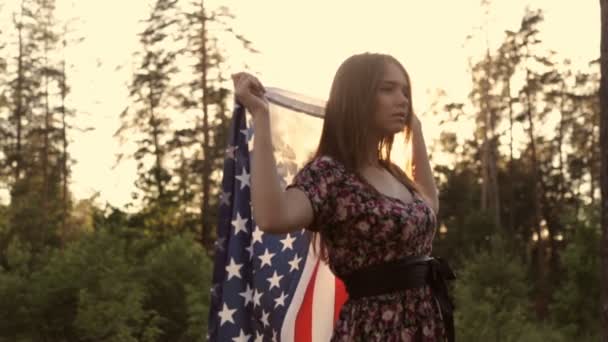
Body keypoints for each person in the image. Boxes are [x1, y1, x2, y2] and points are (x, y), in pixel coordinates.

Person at [231, 52, 455, 342]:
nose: (402, 99)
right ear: (357, 97)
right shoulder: (330, 174)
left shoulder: (393, 172)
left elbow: (429, 207)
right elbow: (273, 217)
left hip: (425, 325)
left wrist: (418, 131)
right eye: (387, 89)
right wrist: (261, 116)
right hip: (375, 330)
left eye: (405, 91)